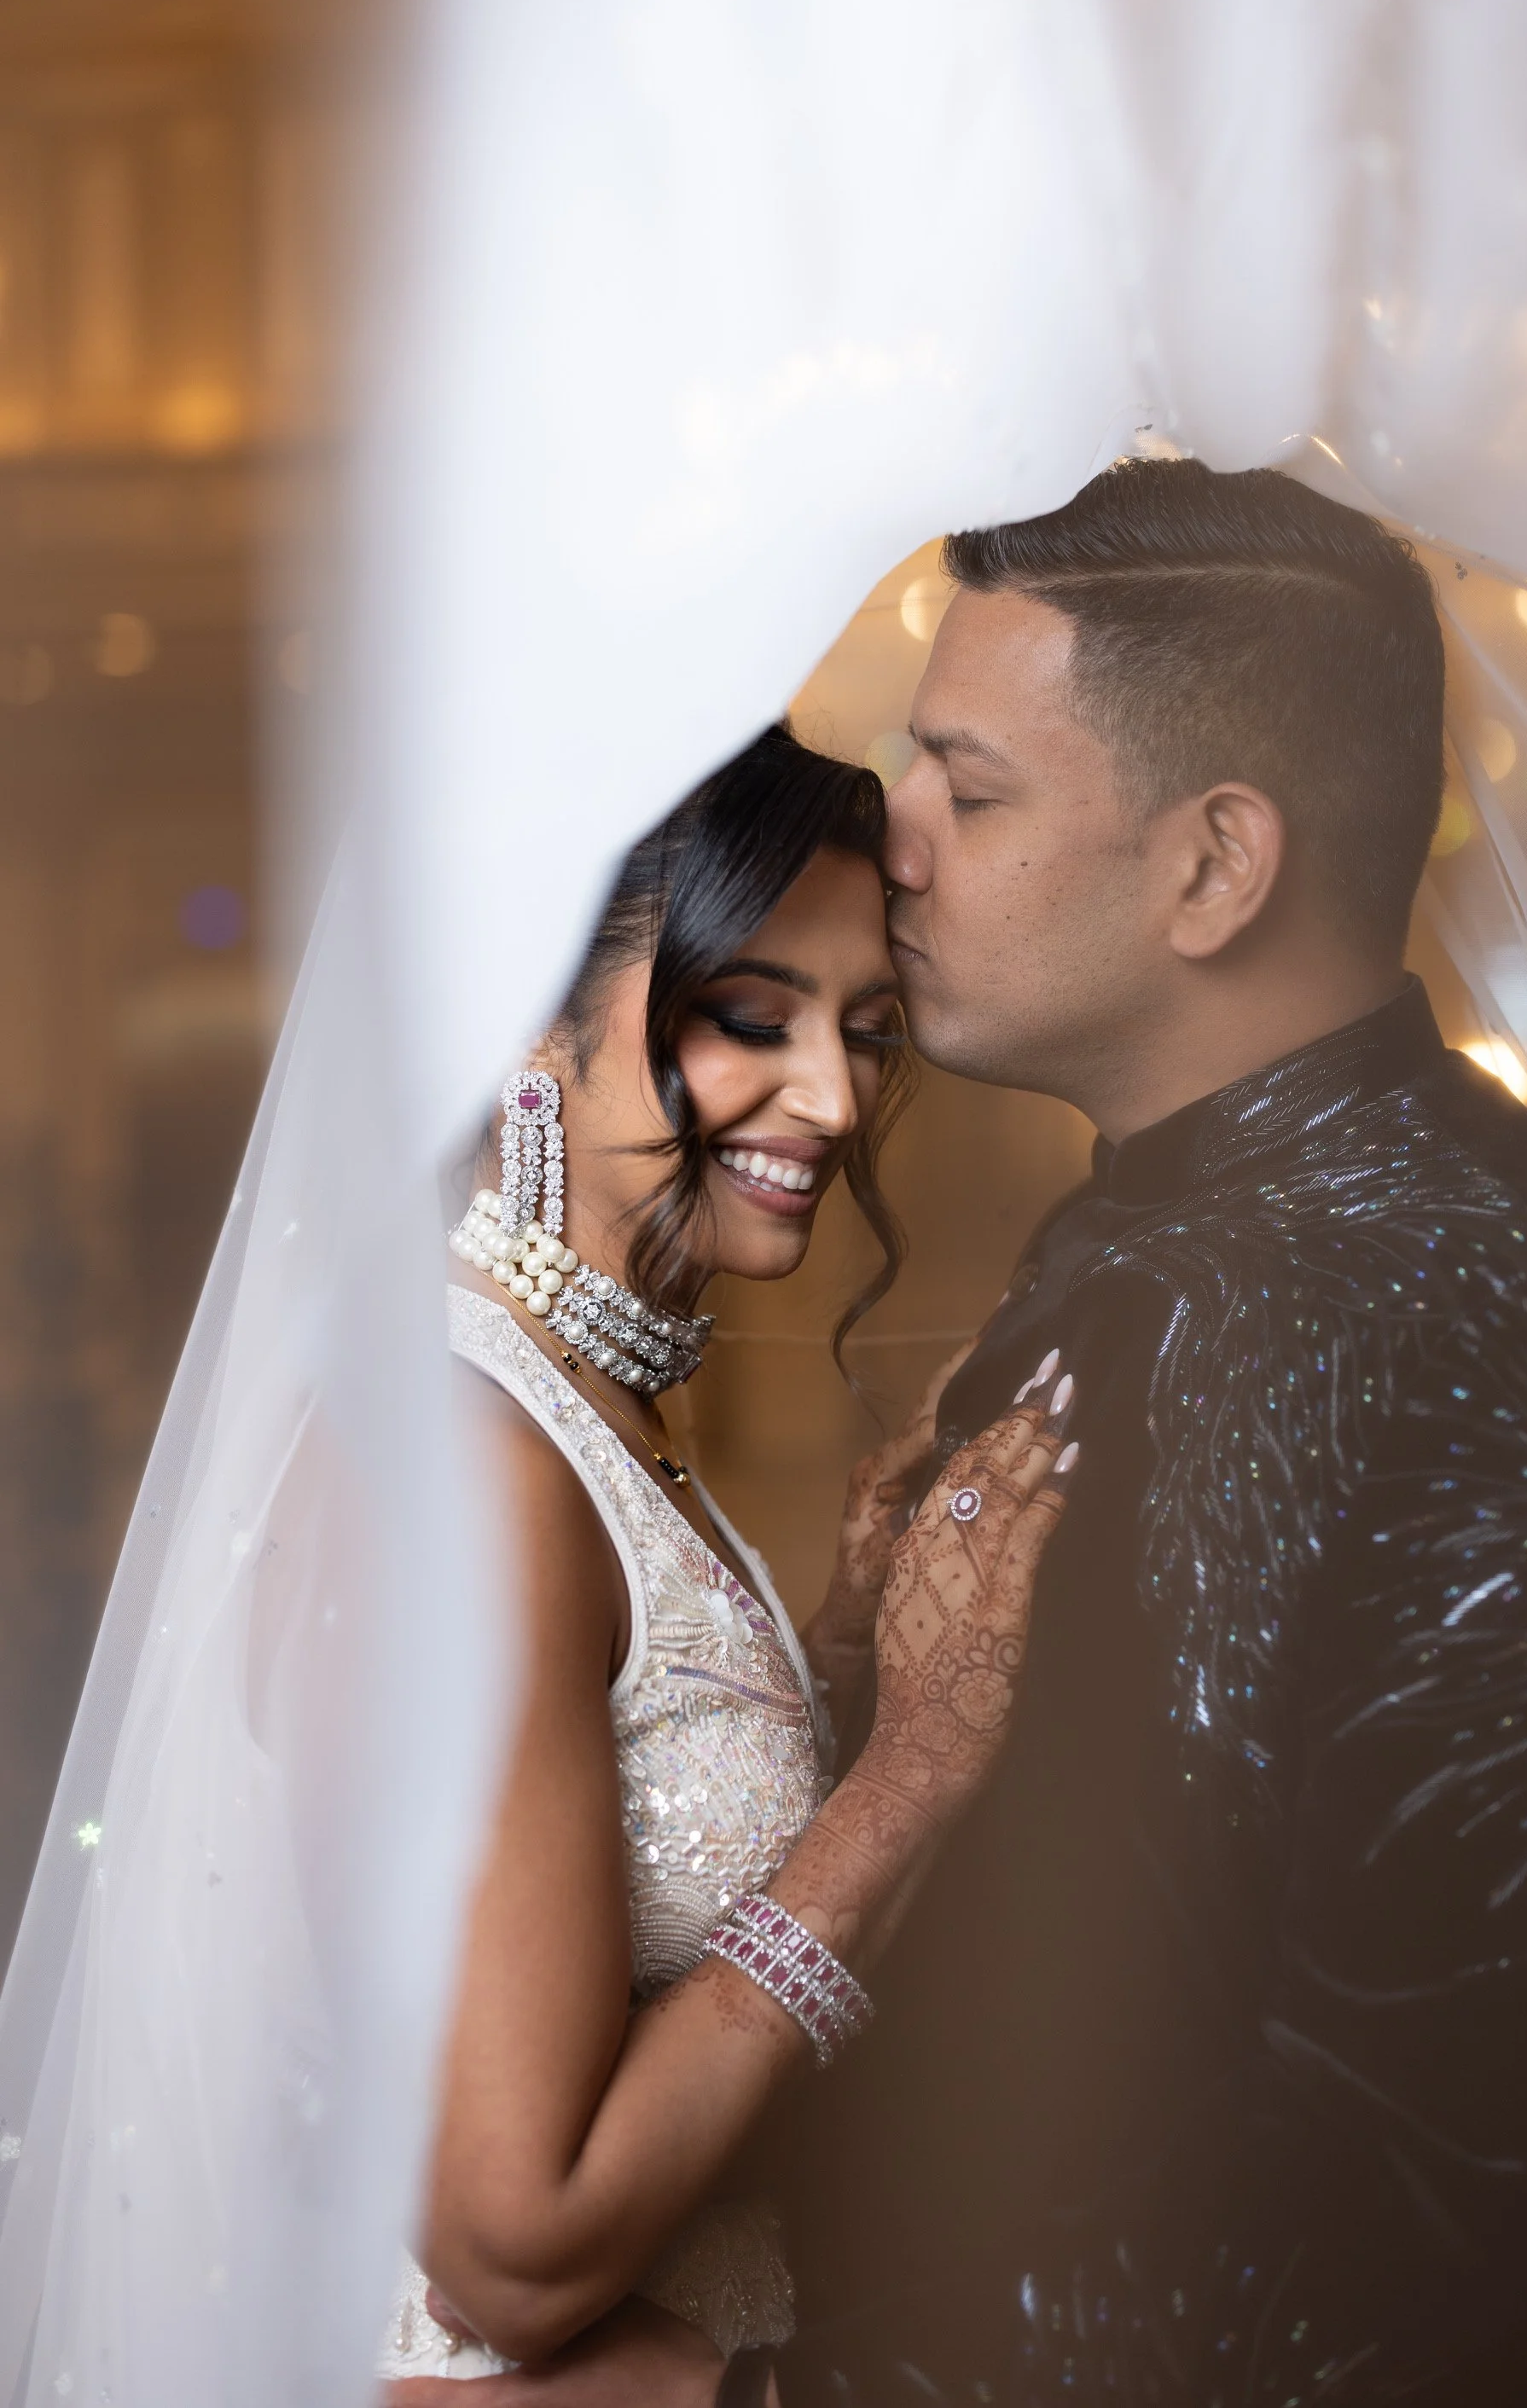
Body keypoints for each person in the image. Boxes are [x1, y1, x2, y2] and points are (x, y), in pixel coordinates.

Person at [449, 460, 1527, 2408]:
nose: (891, 839)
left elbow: (1413, 2192)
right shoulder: (1123, 1231)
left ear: (1212, 865)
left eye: (967, 784)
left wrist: (750, 2402)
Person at [374, 727, 1074, 2393]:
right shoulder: (482, 1456)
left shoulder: (587, 1408)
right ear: (530, 1022)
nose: (833, 1098)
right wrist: (902, 1778)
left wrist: (840, 1646)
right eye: (753, 1018)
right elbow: (513, 2247)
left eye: (867, 1031)